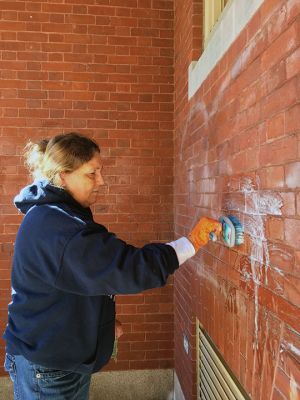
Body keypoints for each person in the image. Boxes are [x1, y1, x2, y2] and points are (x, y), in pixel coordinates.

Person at [3, 132, 222, 400]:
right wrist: (191, 242)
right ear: (62, 176)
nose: (101, 181)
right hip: (49, 369)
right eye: (91, 174)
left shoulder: (54, 215)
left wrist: (99, 324)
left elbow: (76, 281)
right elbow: (128, 269)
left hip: (56, 357)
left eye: (100, 172)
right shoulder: (59, 227)